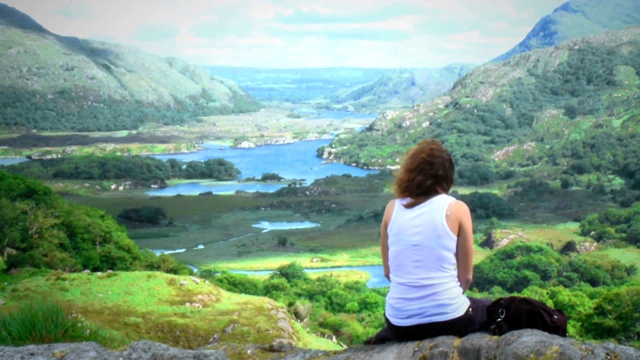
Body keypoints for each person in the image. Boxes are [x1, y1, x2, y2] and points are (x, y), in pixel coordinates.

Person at [365, 139, 488, 344]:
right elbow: (465, 278)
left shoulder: (391, 208)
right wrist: (439, 303)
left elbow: (389, 273)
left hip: (399, 322)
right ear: (447, 175)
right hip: (449, 319)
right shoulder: (457, 209)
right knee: (488, 309)